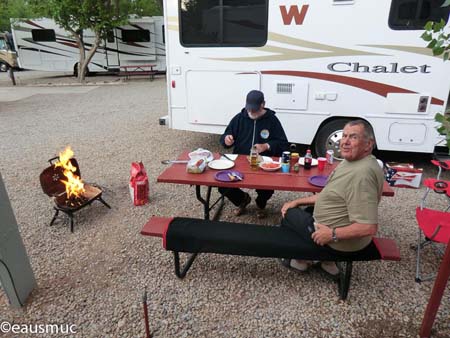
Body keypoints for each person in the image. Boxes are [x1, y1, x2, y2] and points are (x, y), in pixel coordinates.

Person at [279, 120, 384, 276]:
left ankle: (302, 261)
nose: (345, 142)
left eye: (353, 137)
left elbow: (368, 227)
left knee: (287, 215)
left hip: (339, 244)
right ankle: (327, 263)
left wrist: (332, 234)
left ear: (368, 144)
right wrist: (297, 201)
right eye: (344, 136)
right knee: (305, 209)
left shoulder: (362, 175)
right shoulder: (355, 161)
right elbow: (331, 195)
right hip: (337, 228)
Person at [220, 90, 288, 218]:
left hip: (263, 163)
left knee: (267, 186)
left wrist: (266, 145)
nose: (250, 112)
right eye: (249, 109)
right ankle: (242, 200)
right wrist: (226, 139)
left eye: (254, 109)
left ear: (263, 104)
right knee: (222, 185)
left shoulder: (272, 120)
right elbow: (224, 138)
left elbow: (283, 144)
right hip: (239, 161)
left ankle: (260, 204)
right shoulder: (239, 118)